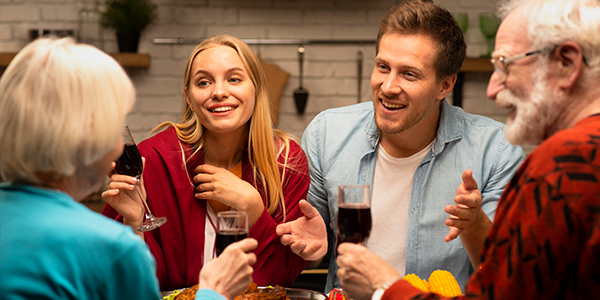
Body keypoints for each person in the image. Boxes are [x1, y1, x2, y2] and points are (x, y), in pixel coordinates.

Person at [336, 0, 600, 299]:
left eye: (505, 64)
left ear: (567, 63)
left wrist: (385, 287)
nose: (492, 88)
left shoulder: (562, 165)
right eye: (383, 67)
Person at [0, 37, 258, 300]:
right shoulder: (109, 248)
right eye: (115, 123)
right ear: (88, 136)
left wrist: (134, 223)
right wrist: (212, 294)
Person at [302, 0, 525, 293]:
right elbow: (306, 242)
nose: (388, 86)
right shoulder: (326, 133)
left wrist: (474, 223)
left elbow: (507, 272)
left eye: (409, 74)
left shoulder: (496, 150)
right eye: (383, 67)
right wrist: (312, 247)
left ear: (444, 86)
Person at [101, 34, 314, 291]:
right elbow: (123, 282)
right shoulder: (154, 158)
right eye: (204, 82)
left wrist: (253, 207)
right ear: (189, 97)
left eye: (234, 79)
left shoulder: (286, 161)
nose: (220, 92)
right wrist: (134, 225)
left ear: (256, 89)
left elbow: (282, 276)